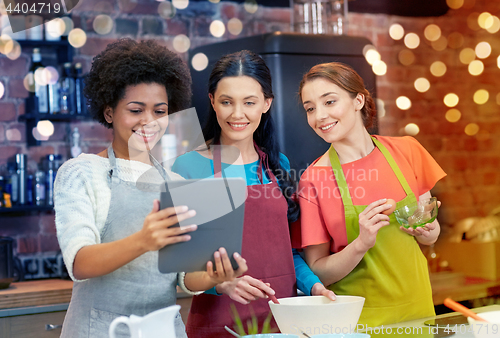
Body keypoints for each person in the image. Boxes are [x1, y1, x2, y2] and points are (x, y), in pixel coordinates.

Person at [54, 39, 247, 338]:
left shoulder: (175, 180)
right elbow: (79, 263)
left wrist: (213, 275)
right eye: (136, 110)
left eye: (160, 111)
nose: (149, 122)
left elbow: (185, 278)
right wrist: (144, 240)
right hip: (99, 330)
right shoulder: (82, 172)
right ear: (109, 112)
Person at [172, 50, 335, 337]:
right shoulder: (190, 167)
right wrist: (220, 283)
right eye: (226, 102)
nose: (237, 114)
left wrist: (314, 285)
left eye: (249, 102)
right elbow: (180, 273)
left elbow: (288, 252)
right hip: (220, 324)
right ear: (212, 101)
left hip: (282, 320)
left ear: (266, 103)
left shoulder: (277, 164)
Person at [293, 62, 446, 328]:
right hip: (358, 322)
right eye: (310, 108)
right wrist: (360, 243)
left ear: (358, 100)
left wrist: (429, 230)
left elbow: (431, 235)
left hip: (419, 312)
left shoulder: (407, 151)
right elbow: (317, 271)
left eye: (329, 102)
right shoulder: (313, 180)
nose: (319, 116)